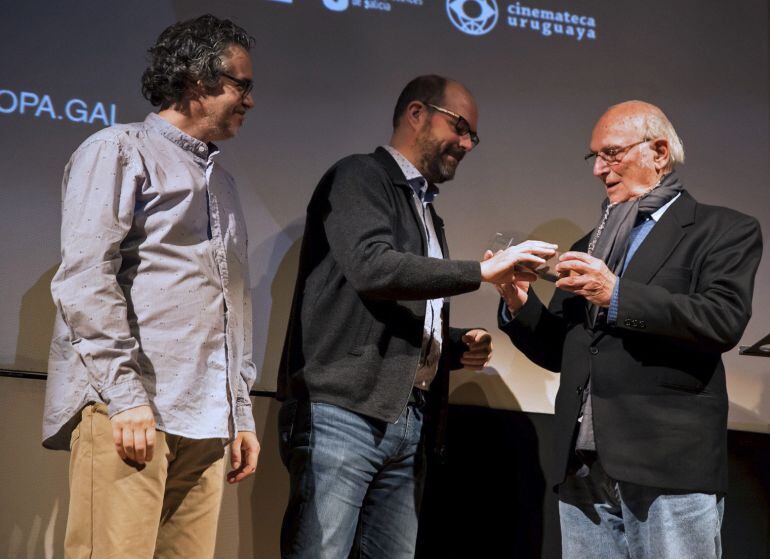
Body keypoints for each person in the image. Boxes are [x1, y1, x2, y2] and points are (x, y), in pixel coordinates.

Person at [277, 74, 556, 558]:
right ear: (417, 114)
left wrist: (448, 347)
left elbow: (386, 311)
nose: (467, 143)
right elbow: (372, 269)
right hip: (343, 413)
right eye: (461, 127)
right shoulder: (359, 176)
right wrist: (482, 271)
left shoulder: (427, 210)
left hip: (407, 422)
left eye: (474, 136)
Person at [495, 100, 763, 558]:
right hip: (583, 471)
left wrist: (615, 294)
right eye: (594, 157)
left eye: (612, 154)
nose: (600, 169)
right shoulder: (591, 243)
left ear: (659, 152)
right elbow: (566, 350)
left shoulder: (722, 230)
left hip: (668, 468)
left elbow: (722, 319)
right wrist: (516, 299)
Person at [42, 14, 260, 558]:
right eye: (242, 84)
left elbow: (232, 303)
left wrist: (240, 412)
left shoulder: (224, 183)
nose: (250, 101)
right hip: (134, 411)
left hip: (206, 424)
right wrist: (123, 396)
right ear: (196, 81)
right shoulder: (118, 149)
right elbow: (86, 278)